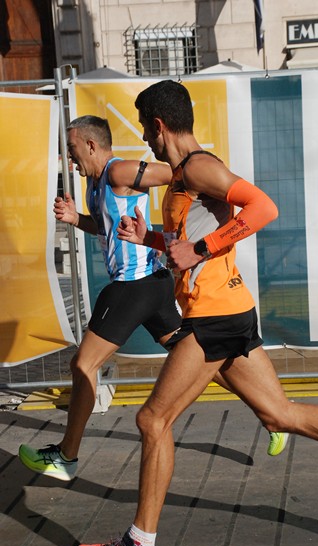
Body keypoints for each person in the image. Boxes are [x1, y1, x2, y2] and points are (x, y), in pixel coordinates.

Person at [75, 80, 318, 546]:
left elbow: (264, 208)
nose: (145, 140)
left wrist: (197, 252)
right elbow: (194, 239)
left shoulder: (200, 167)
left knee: (152, 421)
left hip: (215, 318)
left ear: (160, 125)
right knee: (280, 414)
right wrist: (156, 237)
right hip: (231, 311)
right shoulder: (184, 175)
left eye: (145, 129)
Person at [18, 115, 288, 482]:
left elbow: (171, 174)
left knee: (84, 363)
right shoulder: (95, 185)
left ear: (92, 146)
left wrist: (196, 182)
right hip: (154, 285)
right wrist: (76, 218)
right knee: (200, 360)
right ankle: (272, 414)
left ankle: (66, 456)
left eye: (73, 150)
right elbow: (104, 225)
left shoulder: (118, 171)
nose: (71, 159)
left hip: (135, 285)